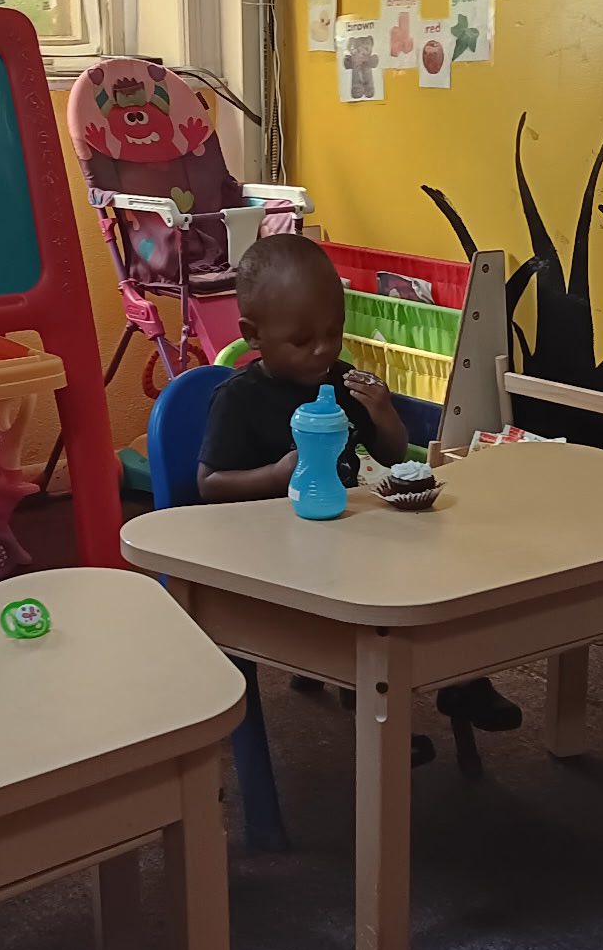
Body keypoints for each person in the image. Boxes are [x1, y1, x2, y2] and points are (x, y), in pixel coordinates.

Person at [197, 234, 521, 749]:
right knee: (367, 615)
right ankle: (381, 725)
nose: (325, 350)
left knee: (438, 571)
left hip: (348, 530)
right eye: (304, 341)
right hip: (273, 552)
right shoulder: (238, 399)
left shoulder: (342, 382)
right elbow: (210, 485)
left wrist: (383, 412)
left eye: (334, 333)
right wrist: (278, 474)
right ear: (252, 335)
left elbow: (393, 454)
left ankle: (463, 678)